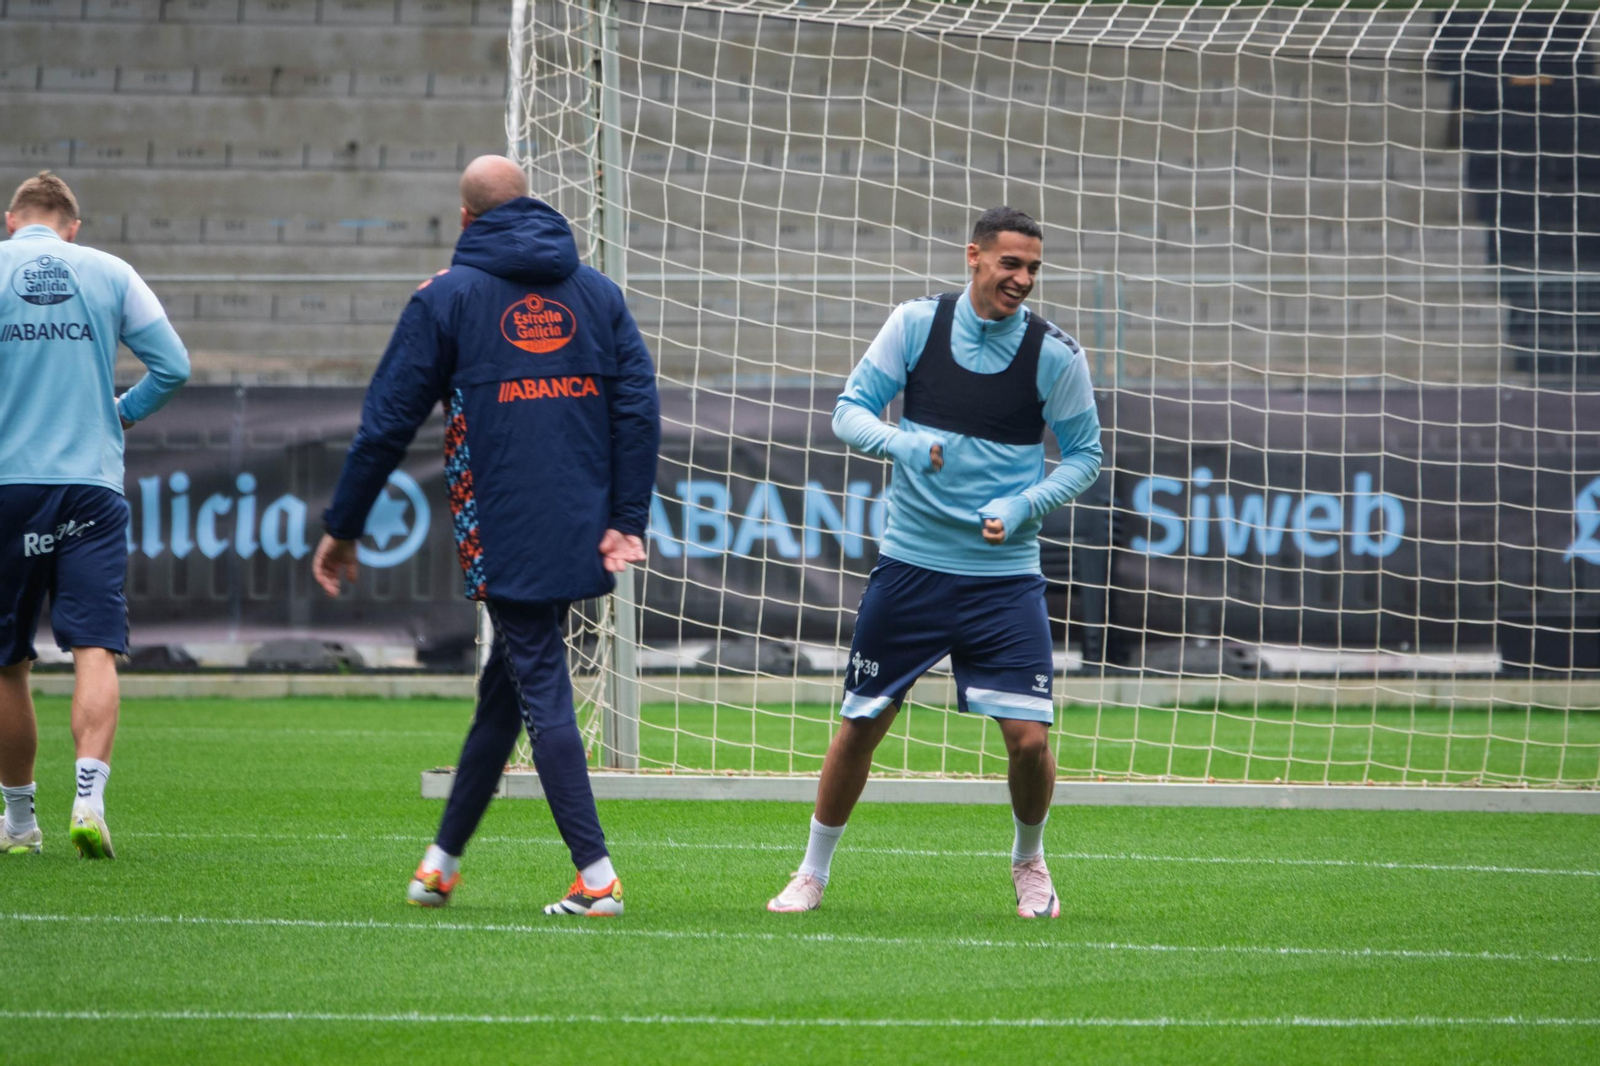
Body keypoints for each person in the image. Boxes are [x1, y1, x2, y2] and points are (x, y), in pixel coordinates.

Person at [314, 155, 661, 916]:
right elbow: (638, 409)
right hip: (582, 524)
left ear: (466, 219)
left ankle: (596, 877)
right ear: (529, 206)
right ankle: (440, 864)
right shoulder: (597, 293)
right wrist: (625, 519)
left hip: (503, 524)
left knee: (542, 687)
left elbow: (385, 424)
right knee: (504, 693)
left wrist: (343, 528)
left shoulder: (446, 298)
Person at [767, 207, 1103, 918]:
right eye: (1011, 264)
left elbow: (1085, 457)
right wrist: (902, 443)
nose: (1023, 280)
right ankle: (810, 873)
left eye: (1034, 268)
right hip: (912, 566)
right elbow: (849, 410)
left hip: (1004, 579)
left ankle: (1030, 863)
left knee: (1029, 739)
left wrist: (1024, 507)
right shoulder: (916, 324)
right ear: (974, 256)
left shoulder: (1055, 355)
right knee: (862, 722)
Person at [0, 171, 191, 859]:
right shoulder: (110, 270)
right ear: (73, 226)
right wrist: (119, 414)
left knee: (7, 665)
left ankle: (20, 822)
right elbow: (173, 365)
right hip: (89, 487)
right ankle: (88, 799)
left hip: (6, 486)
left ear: (11, 219)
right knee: (95, 648)